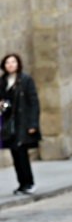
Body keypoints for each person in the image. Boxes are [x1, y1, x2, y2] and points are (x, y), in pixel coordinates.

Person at [0, 53, 41, 195]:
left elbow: (33, 102)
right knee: (15, 154)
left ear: (18, 64)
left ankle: (28, 182)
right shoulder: (3, 81)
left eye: (13, 62)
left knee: (22, 153)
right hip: (9, 123)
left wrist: (33, 124)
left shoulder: (25, 80)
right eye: (7, 63)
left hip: (22, 122)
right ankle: (21, 183)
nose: (10, 65)